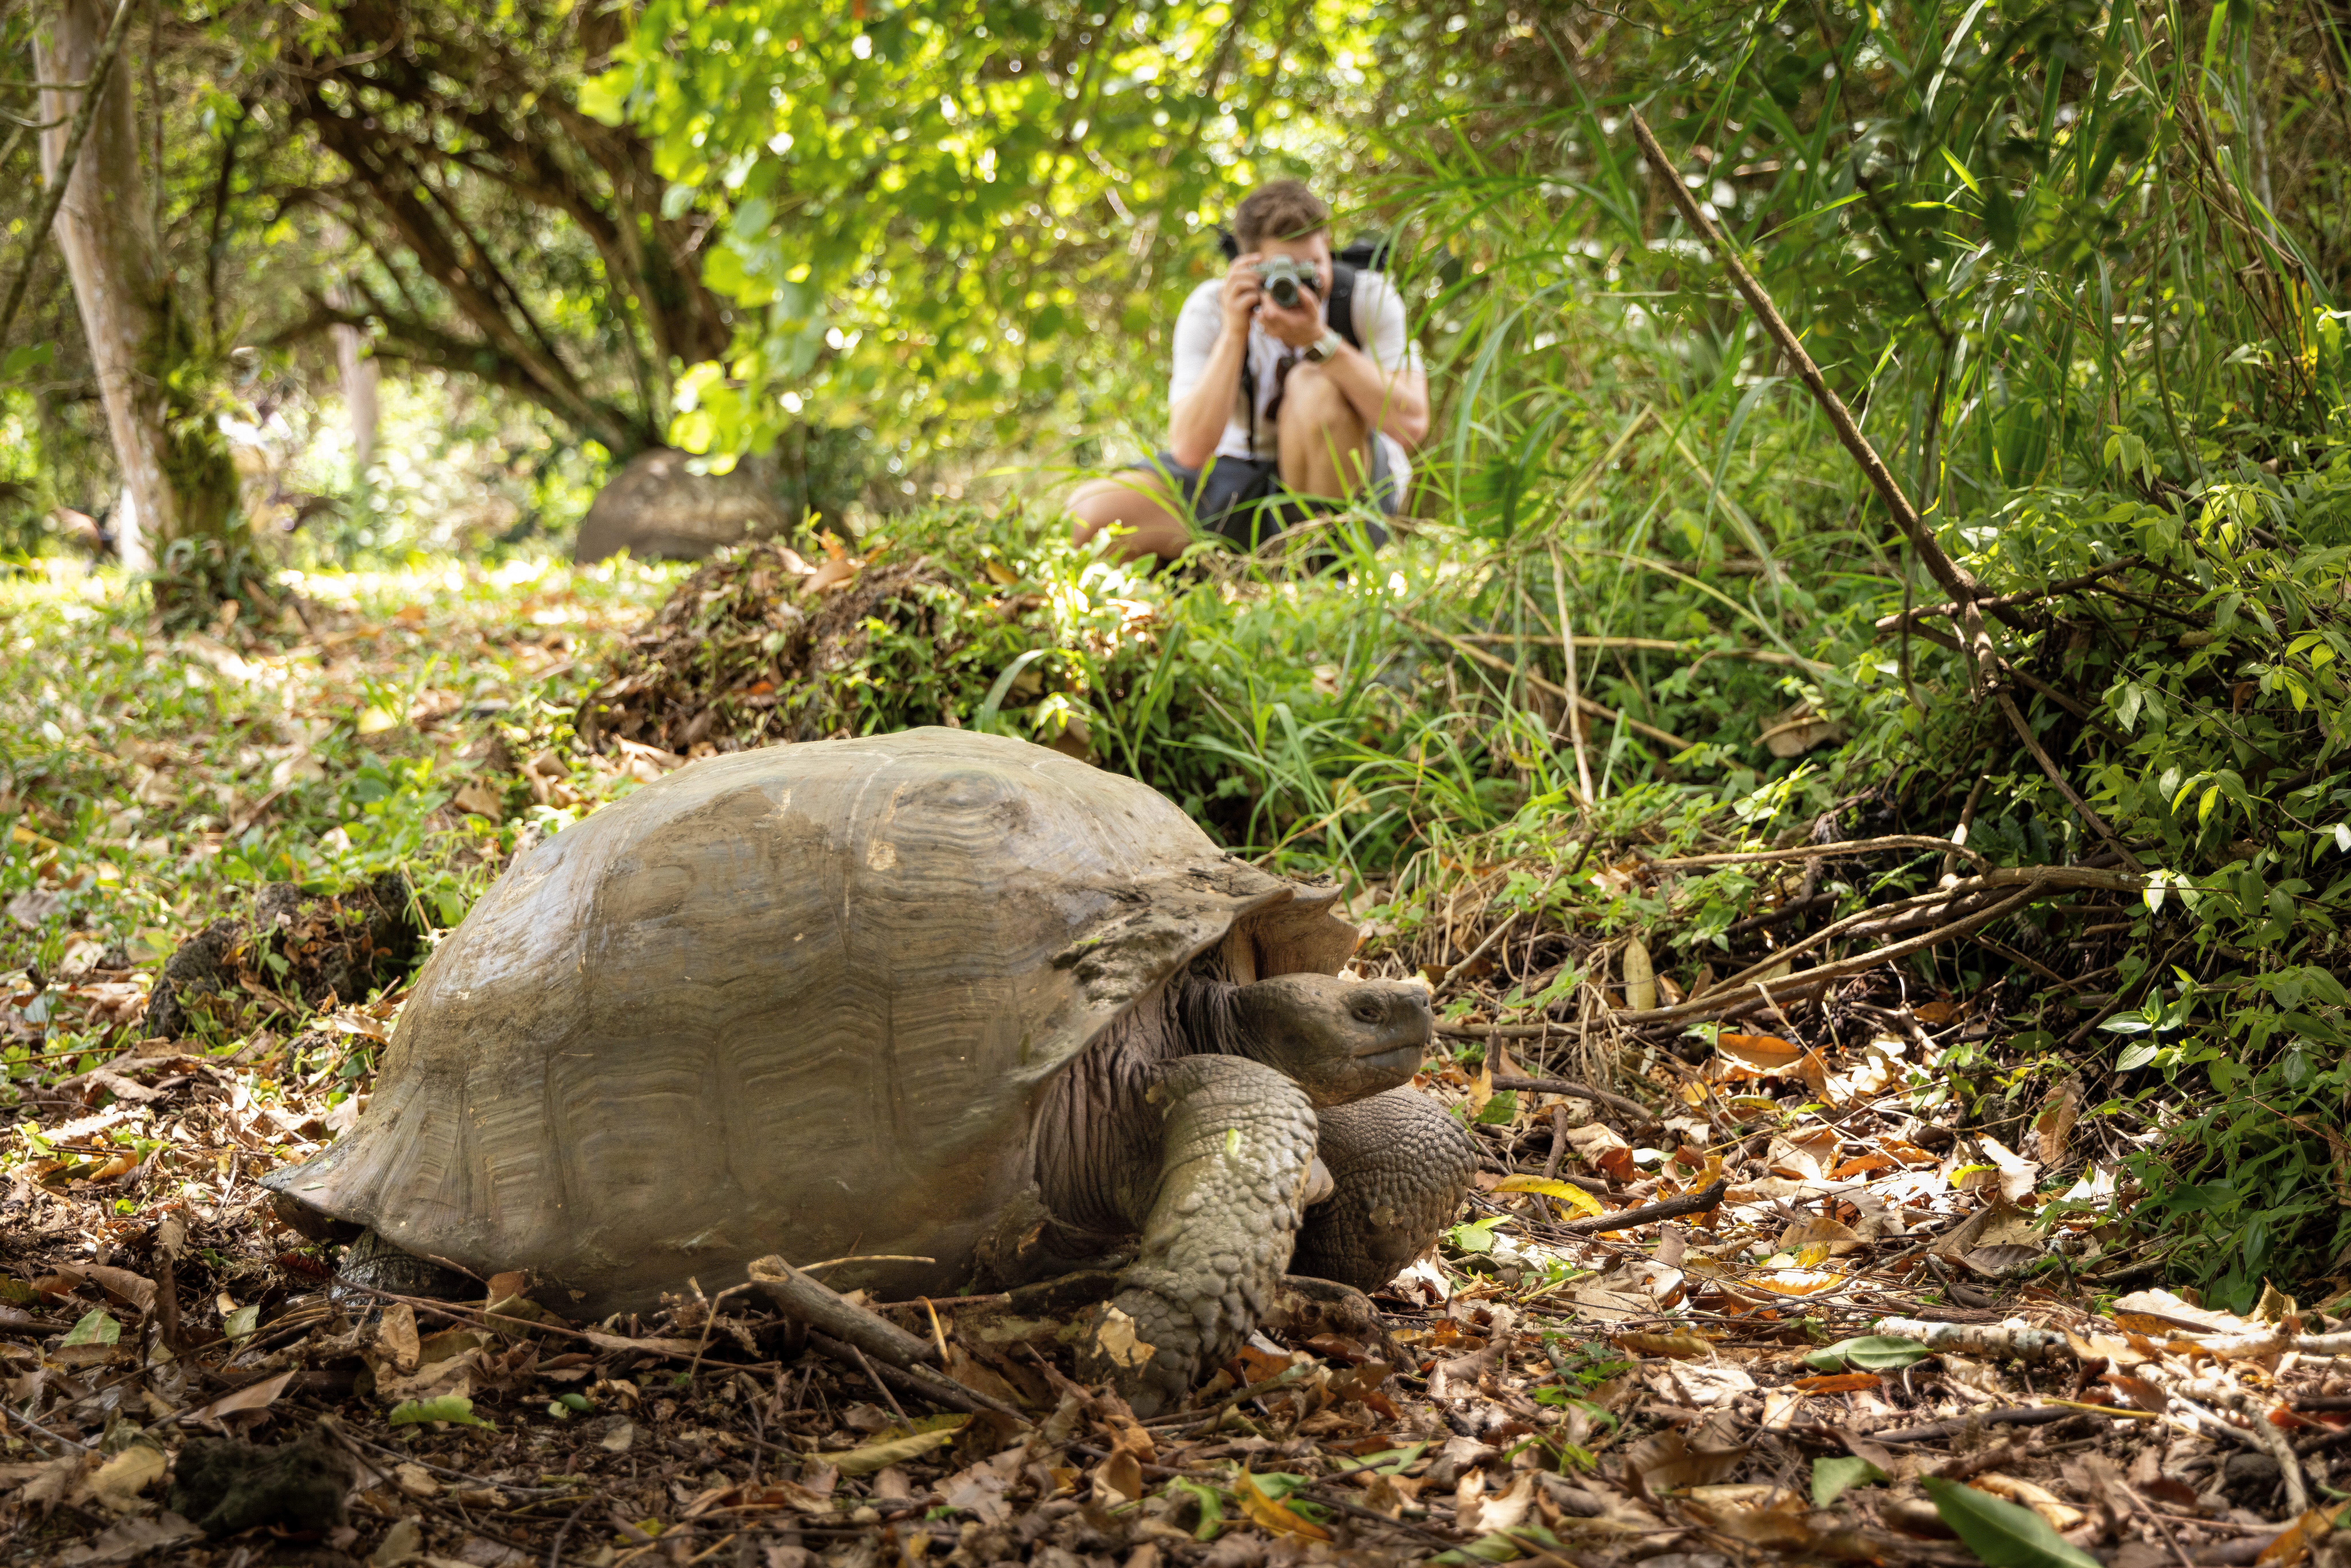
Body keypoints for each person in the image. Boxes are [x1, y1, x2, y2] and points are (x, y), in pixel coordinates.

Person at [1069, 179, 1429, 562]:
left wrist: (1321, 341)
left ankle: (1319, 579)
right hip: (1236, 479)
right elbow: (1190, 450)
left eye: (1314, 267)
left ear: (1328, 244)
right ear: (1248, 264)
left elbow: (1411, 426)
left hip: (1351, 489)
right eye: (1285, 271)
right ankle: (1227, 573)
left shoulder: (1366, 297)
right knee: (1089, 516)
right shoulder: (1211, 308)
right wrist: (1234, 332)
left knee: (1313, 386)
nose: (1303, 285)